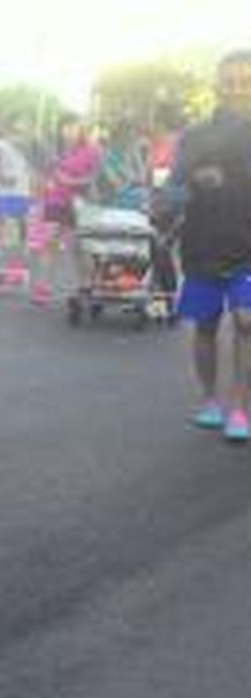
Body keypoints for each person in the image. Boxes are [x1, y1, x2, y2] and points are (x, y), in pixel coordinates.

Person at [171, 50, 251, 443]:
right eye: (230, 81)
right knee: (205, 327)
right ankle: (209, 401)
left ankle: (239, 407)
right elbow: (171, 188)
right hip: (202, 244)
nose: (237, 89)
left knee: (247, 322)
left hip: (248, 248)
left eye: (245, 82)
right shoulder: (195, 134)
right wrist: (194, 180)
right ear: (217, 85)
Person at [28, 113, 101, 306]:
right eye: (65, 127)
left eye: (73, 127)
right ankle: (43, 287)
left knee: (79, 246)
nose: (68, 131)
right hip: (55, 201)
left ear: (81, 128)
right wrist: (45, 184)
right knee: (49, 242)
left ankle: (87, 284)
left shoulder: (92, 151)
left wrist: (72, 181)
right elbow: (47, 172)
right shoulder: (58, 150)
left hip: (79, 203)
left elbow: (94, 178)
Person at [0, 114, 35, 276]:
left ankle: (24, 247)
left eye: (24, 123)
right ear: (11, 125)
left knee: (23, 221)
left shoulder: (28, 146)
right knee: (0, 219)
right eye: (19, 123)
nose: (22, 126)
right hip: (3, 188)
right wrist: (1, 177)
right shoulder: (0, 145)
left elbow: (32, 165)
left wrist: (33, 184)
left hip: (22, 188)